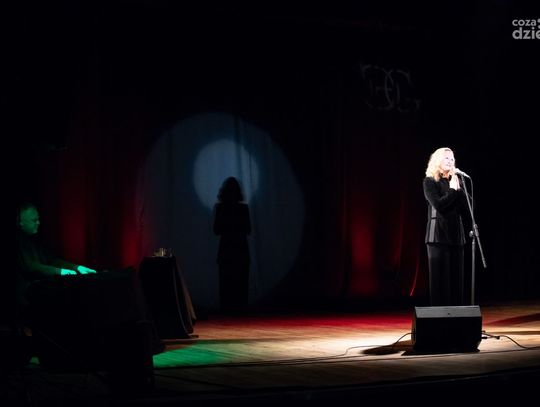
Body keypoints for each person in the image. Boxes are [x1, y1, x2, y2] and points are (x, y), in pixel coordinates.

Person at [423, 147, 468, 306]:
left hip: (456, 236)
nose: (450, 161)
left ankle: (457, 316)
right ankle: (439, 317)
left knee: (456, 281)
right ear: (437, 161)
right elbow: (439, 205)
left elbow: (469, 209)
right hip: (437, 236)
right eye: (446, 158)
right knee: (440, 282)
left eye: (452, 159)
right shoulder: (429, 181)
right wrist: (453, 191)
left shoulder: (456, 182)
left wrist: (460, 190)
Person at [213, 177, 251, 314]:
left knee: (226, 286)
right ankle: (240, 312)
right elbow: (248, 230)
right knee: (241, 286)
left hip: (226, 251)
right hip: (240, 250)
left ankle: (227, 313)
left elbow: (216, 230)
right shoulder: (243, 208)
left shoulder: (220, 208)